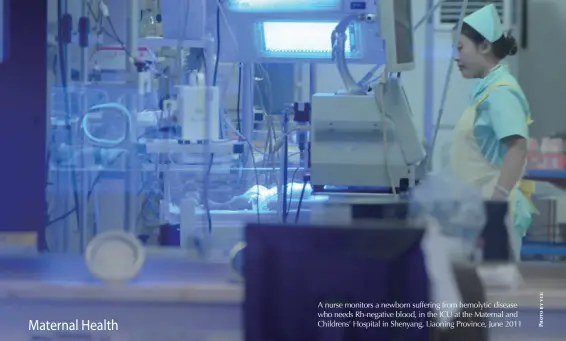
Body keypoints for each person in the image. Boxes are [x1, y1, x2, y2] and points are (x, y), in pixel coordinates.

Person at [451, 4, 537, 259]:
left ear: (485, 46)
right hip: (480, 211)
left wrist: (496, 203)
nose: (456, 57)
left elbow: (517, 147)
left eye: (460, 48)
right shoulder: (486, 91)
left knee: (495, 295)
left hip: (493, 213)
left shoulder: (501, 92)